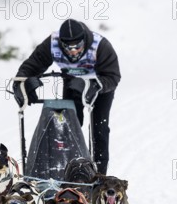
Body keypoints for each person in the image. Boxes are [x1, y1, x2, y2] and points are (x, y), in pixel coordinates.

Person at [13, 19, 121, 175]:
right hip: (72, 84)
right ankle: (67, 170)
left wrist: (95, 85)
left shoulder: (101, 46)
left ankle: (99, 176)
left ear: (84, 40)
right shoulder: (52, 43)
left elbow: (113, 76)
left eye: (77, 46)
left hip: (99, 87)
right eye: (68, 47)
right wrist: (20, 84)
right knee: (67, 126)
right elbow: (32, 64)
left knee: (99, 129)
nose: (73, 51)